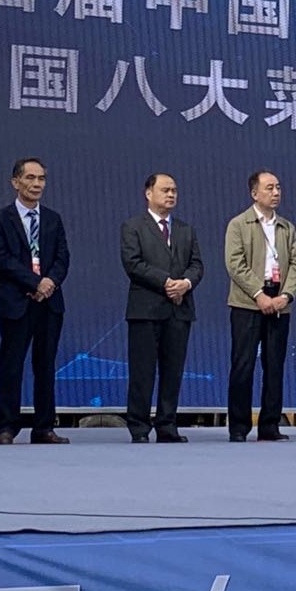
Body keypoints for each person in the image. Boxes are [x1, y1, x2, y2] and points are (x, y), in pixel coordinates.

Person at [0, 158, 70, 446]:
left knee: (45, 366)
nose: (37, 184)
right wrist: (35, 283)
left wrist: (49, 283)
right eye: (30, 178)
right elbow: (2, 259)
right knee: (11, 365)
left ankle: (44, 427)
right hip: (16, 302)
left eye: (41, 179)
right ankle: (6, 427)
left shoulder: (53, 219)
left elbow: (62, 258)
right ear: (16, 182)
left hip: (49, 303)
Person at [121, 173, 202, 444]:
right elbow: (133, 264)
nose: (171, 195)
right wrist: (167, 283)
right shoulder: (133, 226)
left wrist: (185, 283)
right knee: (142, 372)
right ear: (149, 193)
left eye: (174, 190)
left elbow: (197, 265)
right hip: (146, 310)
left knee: (173, 371)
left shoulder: (185, 229)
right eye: (165, 190)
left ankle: (167, 425)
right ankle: (139, 427)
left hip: (179, 310)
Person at [223, 170, 296, 443]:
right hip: (247, 303)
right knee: (243, 365)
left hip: (279, 302)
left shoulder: (287, 227)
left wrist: (286, 295)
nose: (276, 192)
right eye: (269, 188)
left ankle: (270, 425)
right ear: (254, 193)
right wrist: (258, 294)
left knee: (275, 366)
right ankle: (239, 426)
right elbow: (235, 264)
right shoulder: (239, 224)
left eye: (278, 187)